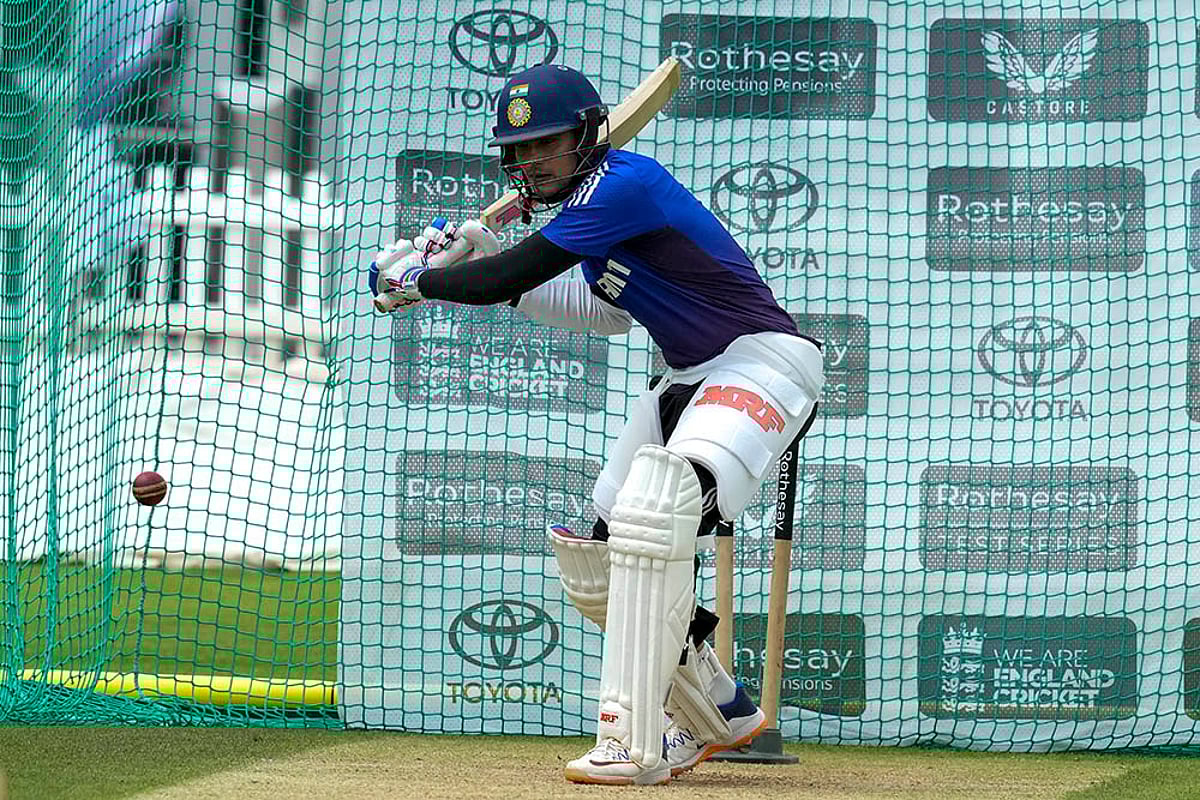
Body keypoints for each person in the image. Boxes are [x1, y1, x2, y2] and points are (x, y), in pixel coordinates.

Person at [369, 63, 825, 786]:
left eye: (543, 145)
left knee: (658, 515)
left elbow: (494, 281)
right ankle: (721, 706)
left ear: (587, 134)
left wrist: (421, 282)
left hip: (760, 363)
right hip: (684, 377)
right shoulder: (589, 214)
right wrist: (500, 281)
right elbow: (607, 313)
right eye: (515, 152)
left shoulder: (624, 185)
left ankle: (635, 743)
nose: (526, 163)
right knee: (602, 566)